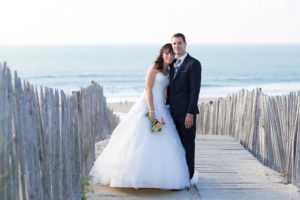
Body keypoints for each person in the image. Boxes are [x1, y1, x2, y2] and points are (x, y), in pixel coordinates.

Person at [89, 43, 190, 190]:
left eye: (172, 54)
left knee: (159, 137)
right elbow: (148, 88)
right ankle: (133, 176)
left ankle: (156, 176)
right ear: (162, 54)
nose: (170, 56)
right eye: (167, 53)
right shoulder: (154, 67)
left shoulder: (169, 70)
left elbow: (166, 90)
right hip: (149, 106)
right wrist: (151, 110)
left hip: (162, 109)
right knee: (140, 137)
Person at [166, 33, 202, 180]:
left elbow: (195, 90)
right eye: (174, 44)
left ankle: (188, 177)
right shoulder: (172, 64)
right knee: (175, 146)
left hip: (186, 114)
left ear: (185, 44)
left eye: (179, 43)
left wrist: (190, 113)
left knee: (188, 146)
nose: (176, 46)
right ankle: (178, 176)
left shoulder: (193, 64)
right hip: (172, 113)